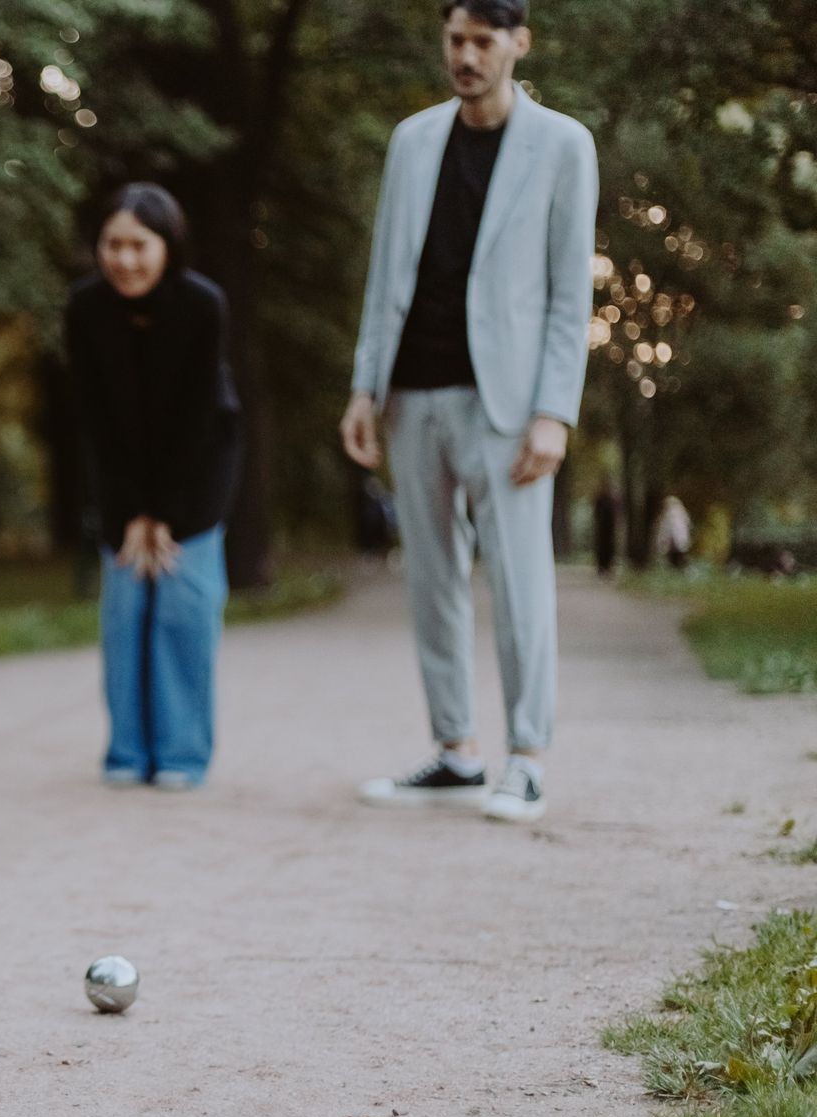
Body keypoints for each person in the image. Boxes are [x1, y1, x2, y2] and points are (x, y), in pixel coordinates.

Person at [341, 0, 597, 824]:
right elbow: (386, 275)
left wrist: (555, 411)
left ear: (518, 44)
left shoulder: (562, 145)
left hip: (510, 404)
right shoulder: (413, 141)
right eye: (455, 39)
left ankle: (525, 758)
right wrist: (364, 388)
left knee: (521, 582)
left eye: (483, 41)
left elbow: (569, 296)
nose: (467, 55)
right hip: (412, 393)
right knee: (431, 582)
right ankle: (455, 751)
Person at [67, 184, 242, 791]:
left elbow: (196, 419)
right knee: (125, 612)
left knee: (182, 611)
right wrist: (130, 514)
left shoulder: (202, 305)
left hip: (196, 479)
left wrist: (164, 513)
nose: (125, 259)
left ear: (167, 246)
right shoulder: (85, 307)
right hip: (122, 483)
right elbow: (95, 421)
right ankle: (127, 751)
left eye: (139, 245)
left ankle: (182, 755)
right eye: (112, 245)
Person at [653, 495, 692, 570]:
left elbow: (675, 529)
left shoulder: (675, 513)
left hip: (676, 540)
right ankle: (678, 568)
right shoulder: (679, 513)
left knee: (679, 556)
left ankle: (681, 568)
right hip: (674, 541)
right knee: (675, 557)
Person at [591, 481, 620, 577]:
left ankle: (608, 567)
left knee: (610, 548)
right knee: (602, 548)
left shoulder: (614, 499)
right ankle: (602, 567)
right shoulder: (601, 499)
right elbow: (596, 512)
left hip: (610, 528)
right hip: (602, 528)